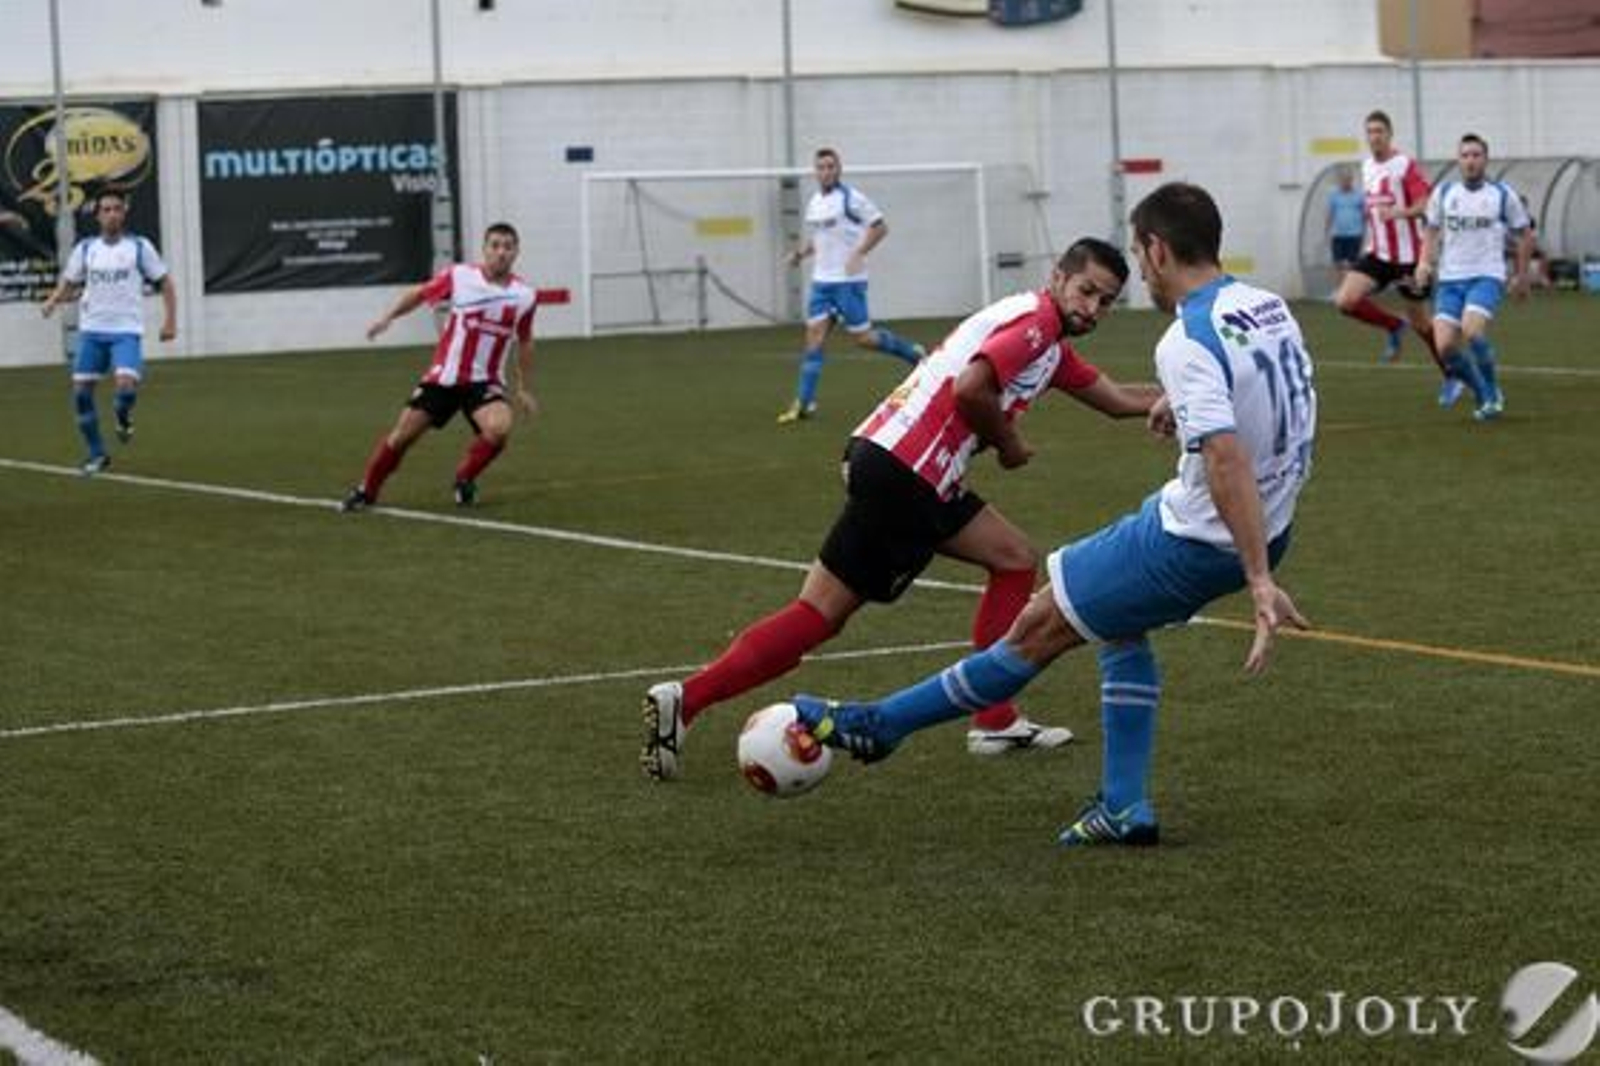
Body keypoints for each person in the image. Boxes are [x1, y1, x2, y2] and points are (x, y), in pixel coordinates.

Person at [790, 183, 1315, 848]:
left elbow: (1226, 457)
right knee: (1116, 628)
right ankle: (1124, 807)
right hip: (1262, 520)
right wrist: (1184, 407)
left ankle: (880, 724)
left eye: (1138, 256)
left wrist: (1258, 578)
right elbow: (1276, 403)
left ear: (1156, 249)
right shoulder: (1267, 306)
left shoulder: (1186, 338)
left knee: (1037, 626)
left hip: (1197, 537)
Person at [642, 238, 1165, 780]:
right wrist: (1009, 444)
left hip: (893, 460)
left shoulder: (1046, 341)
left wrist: (1188, 395)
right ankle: (691, 697)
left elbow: (1118, 399)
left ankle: (994, 718)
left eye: (1106, 301)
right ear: (1057, 277)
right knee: (823, 613)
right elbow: (971, 389)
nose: (1092, 309)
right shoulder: (1035, 324)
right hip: (912, 472)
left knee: (1009, 558)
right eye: (1086, 291)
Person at [340, 222, 537, 511]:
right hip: (444, 377)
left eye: (508, 246)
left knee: (499, 427)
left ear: (516, 252)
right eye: (495, 245)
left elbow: (525, 340)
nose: (501, 252)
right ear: (484, 249)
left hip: (484, 382)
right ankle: (366, 490)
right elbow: (420, 294)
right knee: (402, 437)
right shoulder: (461, 276)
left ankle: (464, 478)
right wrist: (388, 317)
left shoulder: (524, 295)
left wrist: (523, 387)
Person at [776, 147, 927, 424]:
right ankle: (804, 404)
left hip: (848, 282)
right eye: (820, 167)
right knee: (813, 342)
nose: (825, 171)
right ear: (815, 171)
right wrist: (800, 254)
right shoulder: (814, 203)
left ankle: (913, 353)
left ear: (839, 169)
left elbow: (880, 227)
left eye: (830, 166)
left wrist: (859, 253)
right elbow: (820, 238)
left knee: (864, 339)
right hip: (822, 283)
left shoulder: (852, 199)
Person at [40, 189, 177, 475]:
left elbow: (165, 283)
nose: (112, 214)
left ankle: (122, 414)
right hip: (91, 332)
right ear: (98, 215)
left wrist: (170, 321)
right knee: (80, 395)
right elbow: (69, 283)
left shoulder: (139, 247)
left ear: (124, 212)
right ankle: (97, 455)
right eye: (106, 209)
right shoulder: (86, 249)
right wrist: (54, 300)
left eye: (117, 208)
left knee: (125, 387)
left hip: (126, 331)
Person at [1414, 134, 1533, 421]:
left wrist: (1522, 275)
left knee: (1473, 331)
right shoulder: (1443, 193)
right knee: (1444, 347)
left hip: (1486, 276)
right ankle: (1481, 392)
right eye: (1465, 155)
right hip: (1450, 279)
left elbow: (1524, 234)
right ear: (1458, 160)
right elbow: (1430, 230)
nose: (1470, 160)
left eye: (1476, 155)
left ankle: (1492, 394)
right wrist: (1423, 263)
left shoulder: (1502, 194)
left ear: (1485, 159)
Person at [1332, 111, 1449, 392]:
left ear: (1390, 134)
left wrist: (1400, 212)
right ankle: (1394, 325)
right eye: (1370, 131)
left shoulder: (1404, 165)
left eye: (1379, 131)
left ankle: (1452, 374)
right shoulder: (1367, 167)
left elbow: (1426, 203)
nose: (1374, 137)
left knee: (1423, 324)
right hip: (1379, 254)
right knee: (1345, 301)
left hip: (1409, 258)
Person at [1325, 167, 1365, 274]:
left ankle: (1352, 289)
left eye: (1348, 179)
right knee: (1338, 264)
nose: (1345, 182)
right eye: (1343, 180)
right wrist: (1327, 231)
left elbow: (1364, 214)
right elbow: (1330, 213)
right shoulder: (1334, 195)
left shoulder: (1359, 195)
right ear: (1340, 181)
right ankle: (1340, 289)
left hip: (1354, 234)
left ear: (1351, 180)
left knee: (1353, 264)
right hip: (1338, 234)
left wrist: (1364, 234)